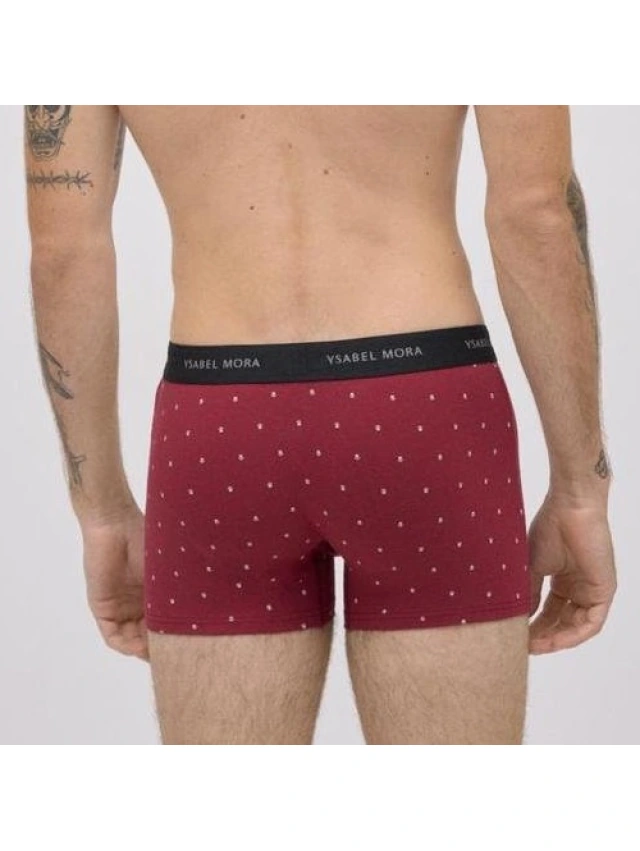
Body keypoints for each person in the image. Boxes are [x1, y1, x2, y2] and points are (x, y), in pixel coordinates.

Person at [24, 105, 616, 745]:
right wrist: (580, 489)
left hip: (220, 424)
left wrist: (101, 509)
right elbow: (536, 211)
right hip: (421, 412)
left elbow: (65, 252)